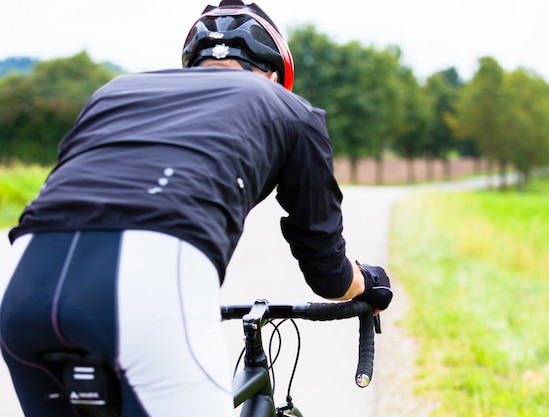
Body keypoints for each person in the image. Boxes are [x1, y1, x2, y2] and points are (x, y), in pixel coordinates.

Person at [0, 1, 393, 416]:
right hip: (147, 283)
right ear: (275, 75)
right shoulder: (291, 110)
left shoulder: (113, 92)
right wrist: (368, 283)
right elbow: (328, 272)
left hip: (25, 286)